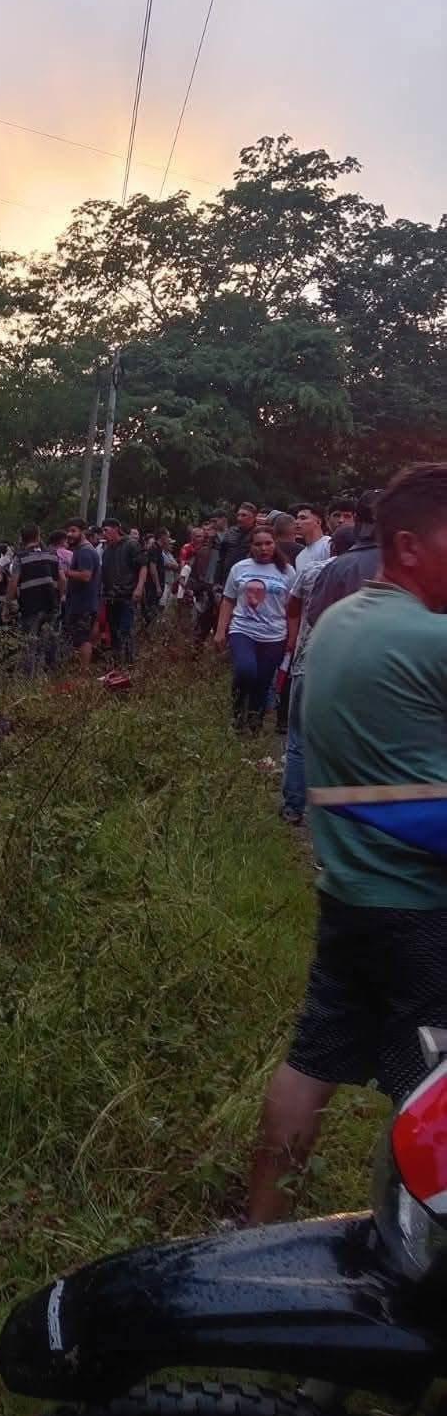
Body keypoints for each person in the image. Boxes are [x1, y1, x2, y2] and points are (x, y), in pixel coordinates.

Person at [246, 463, 447, 1225]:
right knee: (434, 1087)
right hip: (422, 908)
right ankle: (417, 1255)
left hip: (351, 893)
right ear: (409, 545)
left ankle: (257, 1231)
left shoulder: (343, 618)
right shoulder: (429, 638)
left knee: (312, 1064)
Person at [279, 523, 355, 824]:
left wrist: (292, 641)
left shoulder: (312, 571)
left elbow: (293, 607)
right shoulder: (372, 573)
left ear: (332, 546)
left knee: (297, 738)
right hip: (345, 668)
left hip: (306, 662)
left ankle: (292, 806)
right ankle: (329, 814)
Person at [214, 526, 296, 733]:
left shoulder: (287, 571)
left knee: (263, 680)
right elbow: (228, 600)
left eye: (268, 543)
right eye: (258, 544)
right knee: (246, 670)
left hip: (275, 634)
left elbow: (293, 608)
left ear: (275, 544)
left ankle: (254, 720)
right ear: (251, 546)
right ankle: (237, 711)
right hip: (243, 629)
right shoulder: (240, 568)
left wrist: (292, 637)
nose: (263, 548)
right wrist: (220, 630)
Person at [303, 489, 382, 629]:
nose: (341, 521)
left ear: (356, 518)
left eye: (346, 516)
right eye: (337, 516)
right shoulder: (413, 562)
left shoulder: (338, 567)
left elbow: (316, 618)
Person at [6, 523, 62, 673]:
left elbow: (13, 583)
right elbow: (62, 579)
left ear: (22, 539)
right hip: (51, 605)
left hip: (30, 606)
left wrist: (7, 604)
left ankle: (29, 677)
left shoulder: (21, 558)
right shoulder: (52, 555)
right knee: (51, 640)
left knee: (30, 642)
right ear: (38, 536)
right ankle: (51, 674)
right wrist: (60, 597)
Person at [100, 517, 147, 664]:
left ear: (116, 529)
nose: (104, 534)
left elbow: (143, 566)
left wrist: (139, 588)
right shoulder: (107, 551)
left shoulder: (131, 545)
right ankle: (117, 665)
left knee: (125, 631)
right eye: (102, 531)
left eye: (106, 530)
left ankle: (128, 664)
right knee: (113, 632)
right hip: (111, 597)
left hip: (128, 595)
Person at [63, 519, 100, 667]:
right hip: (80, 602)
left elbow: (86, 575)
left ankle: (83, 676)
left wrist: (65, 572)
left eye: (73, 531)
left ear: (83, 532)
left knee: (83, 639)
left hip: (83, 604)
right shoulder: (80, 550)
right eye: (68, 531)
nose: (69, 534)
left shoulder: (85, 551)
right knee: (78, 639)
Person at [215, 502, 259, 587]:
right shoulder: (231, 532)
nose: (239, 518)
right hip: (228, 578)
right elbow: (221, 559)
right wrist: (217, 581)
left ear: (253, 518)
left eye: (244, 515)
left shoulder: (258, 534)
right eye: (238, 515)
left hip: (249, 578)